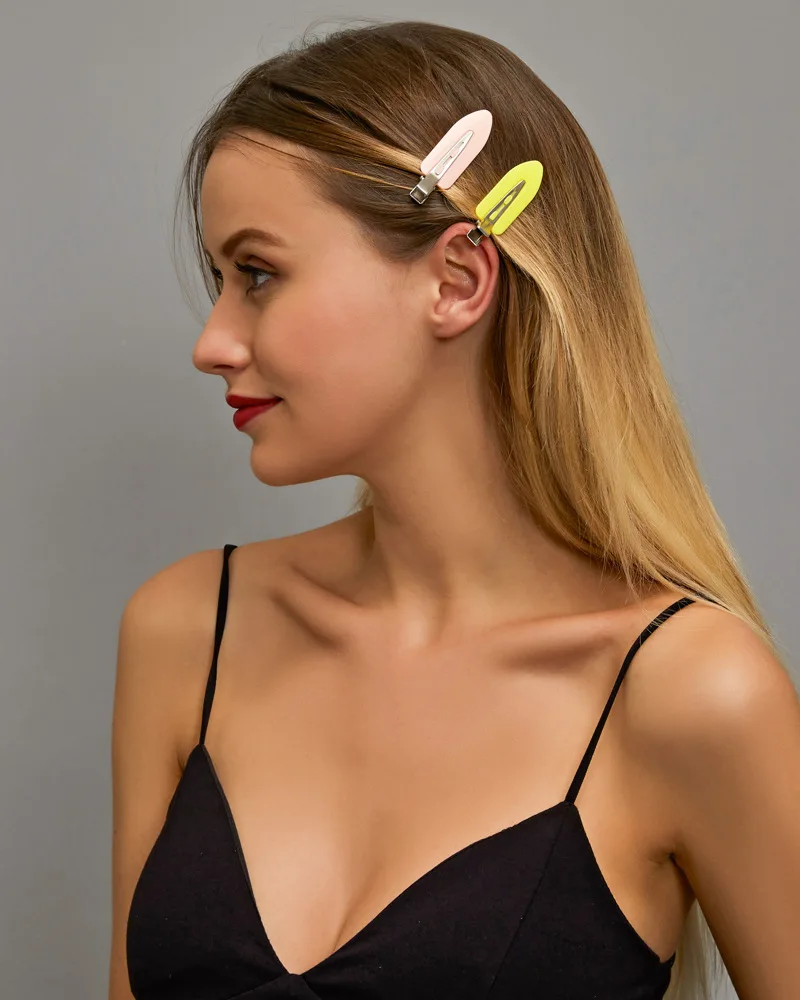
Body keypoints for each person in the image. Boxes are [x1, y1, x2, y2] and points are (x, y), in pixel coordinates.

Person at [108, 19, 800, 1000]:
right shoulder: (188, 632)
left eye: (257, 273)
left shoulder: (690, 693)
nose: (212, 342)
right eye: (222, 280)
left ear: (457, 280)